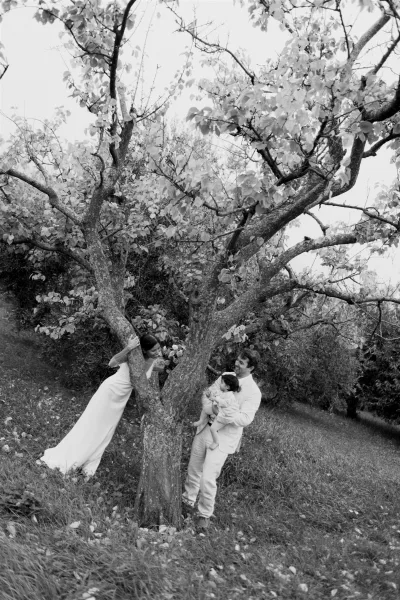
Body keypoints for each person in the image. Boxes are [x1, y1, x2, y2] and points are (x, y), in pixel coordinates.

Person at [40, 333, 163, 477]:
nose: (158, 352)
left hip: (120, 400)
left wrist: (168, 363)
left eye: (159, 349)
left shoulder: (152, 361)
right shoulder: (133, 355)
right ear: (144, 350)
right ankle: (71, 457)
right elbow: (112, 363)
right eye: (154, 350)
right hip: (109, 392)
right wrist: (128, 348)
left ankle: (88, 462)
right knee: (92, 425)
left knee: (106, 432)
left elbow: (152, 369)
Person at [182, 349, 261, 531]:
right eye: (238, 360)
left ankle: (204, 516)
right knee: (194, 468)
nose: (236, 363)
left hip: (223, 437)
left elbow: (245, 419)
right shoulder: (226, 376)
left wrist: (223, 414)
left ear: (251, 368)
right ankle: (187, 502)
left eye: (242, 363)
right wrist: (211, 410)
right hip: (205, 428)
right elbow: (207, 394)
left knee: (208, 477)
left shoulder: (253, 392)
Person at [192, 373, 241, 451]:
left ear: (227, 387)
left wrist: (215, 399)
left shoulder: (230, 396)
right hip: (221, 412)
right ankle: (201, 421)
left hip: (225, 417)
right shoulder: (224, 393)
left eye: (222, 383)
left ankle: (216, 442)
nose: (220, 384)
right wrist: (210, 396)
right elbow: (216, 398)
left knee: (213, 429)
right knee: (205, 409)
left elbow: (224, 403)